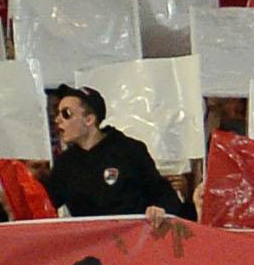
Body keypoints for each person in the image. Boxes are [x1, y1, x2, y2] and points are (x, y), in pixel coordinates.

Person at [43, 88, 174, 217]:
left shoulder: (129, 150)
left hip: (133, 236)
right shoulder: (65, 164)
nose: (57, 120)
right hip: (92, 237)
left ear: (89, 120)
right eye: (57, 113)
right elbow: (45, 203)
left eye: (66, 114)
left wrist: (158, 210)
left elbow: (162, 193)